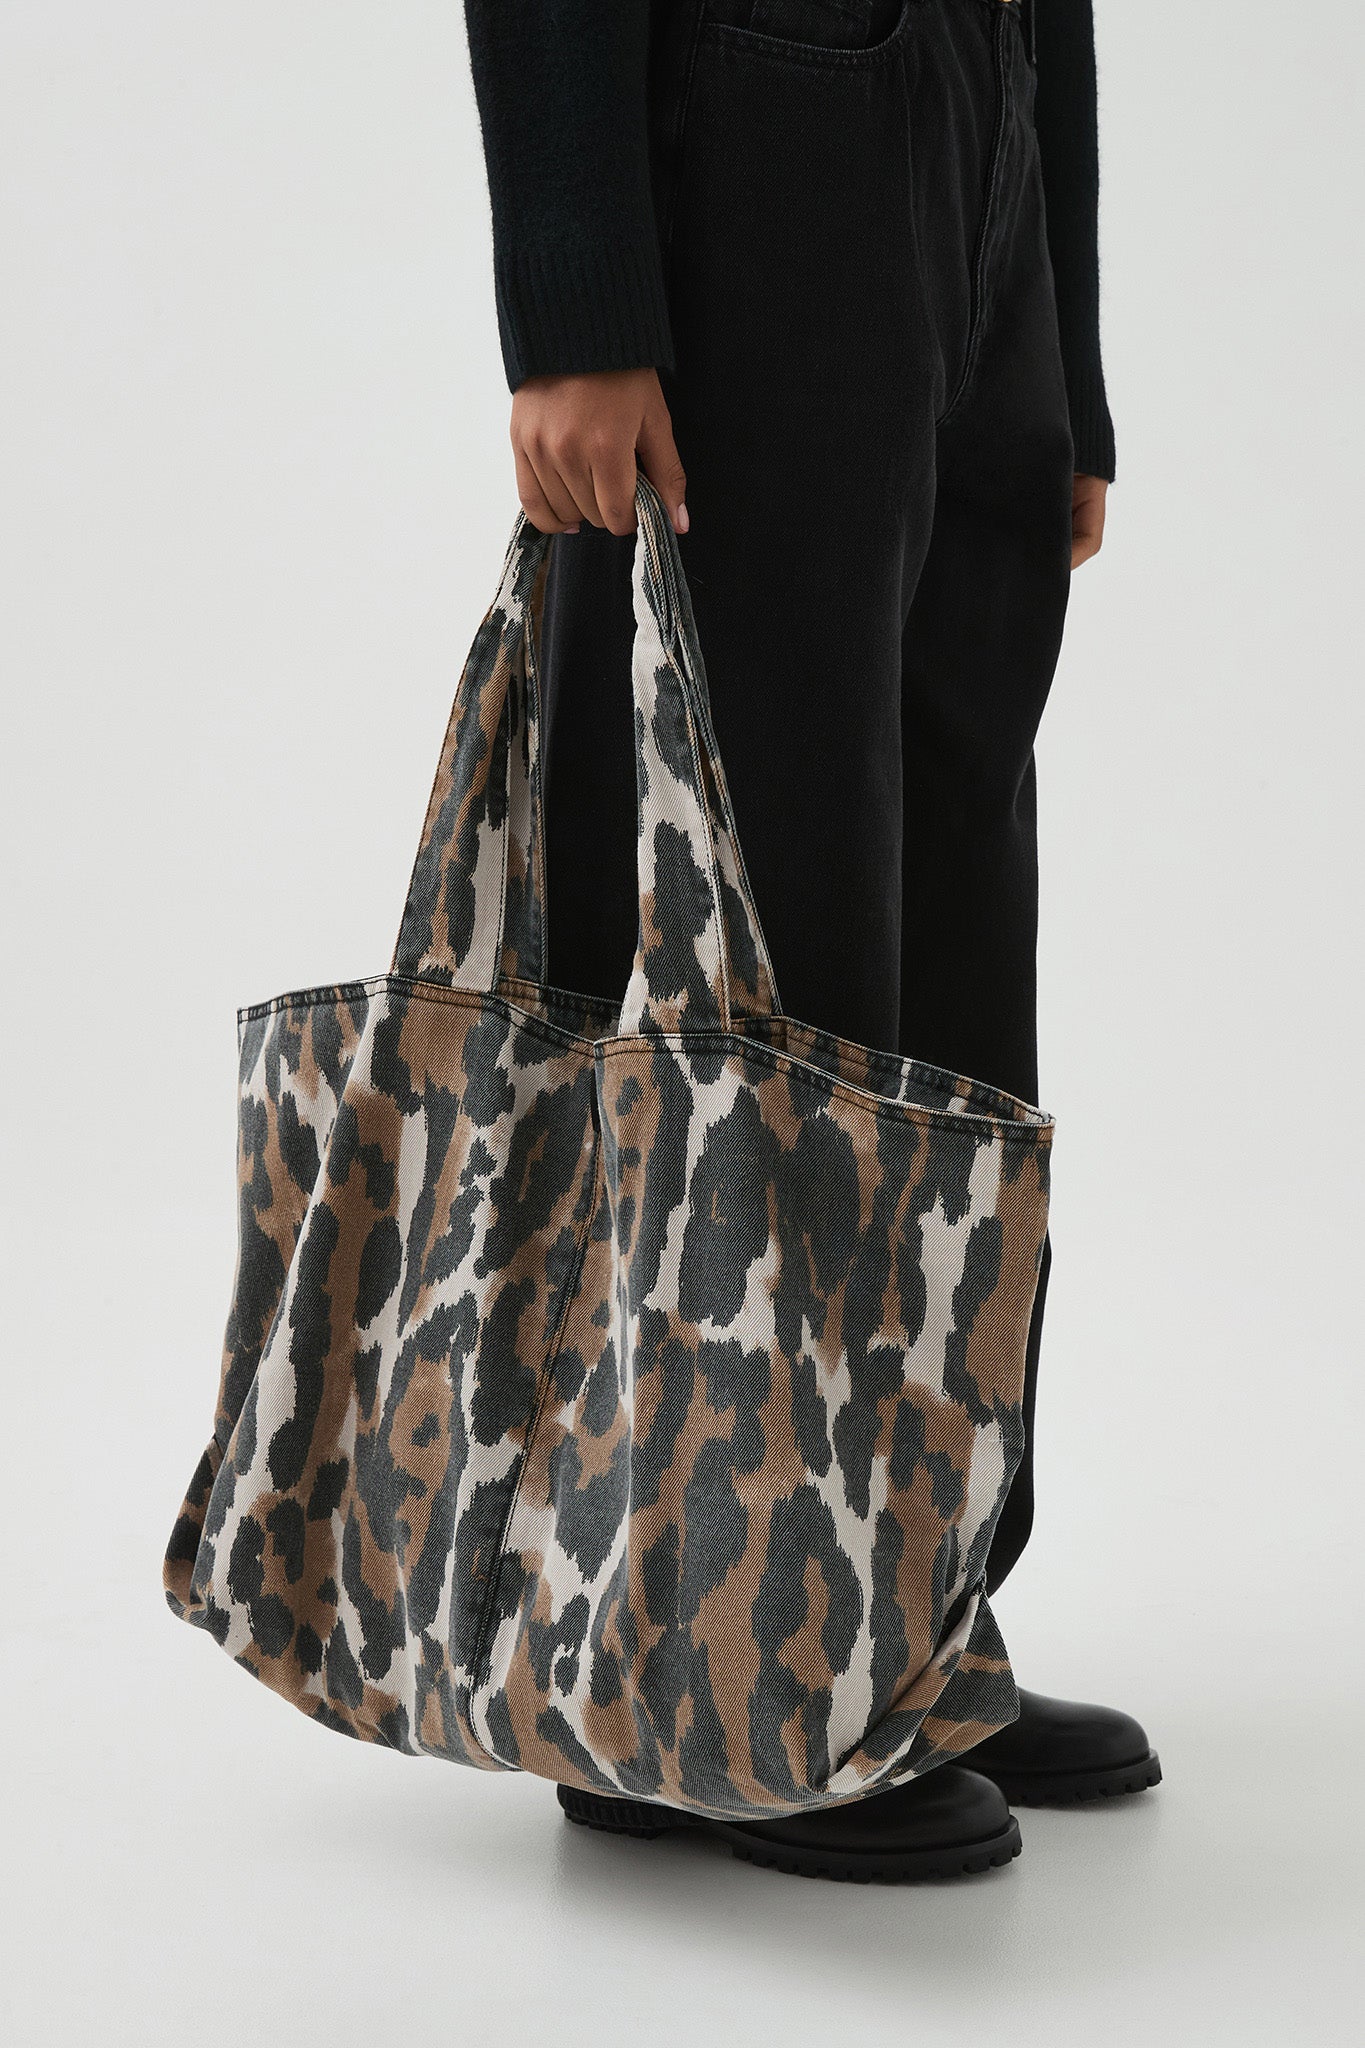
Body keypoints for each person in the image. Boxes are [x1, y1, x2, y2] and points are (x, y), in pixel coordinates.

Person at [461, 0, 1159, 1882]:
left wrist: (1058, 327)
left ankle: (898, 1625)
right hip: (764, 118)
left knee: (950, 918)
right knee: (763, 906)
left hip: (979, 136)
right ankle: (692, 1669)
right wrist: (576, 301)